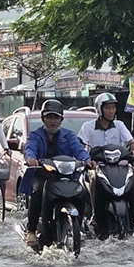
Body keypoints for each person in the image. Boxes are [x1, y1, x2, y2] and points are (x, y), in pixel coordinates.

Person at [21, 99, 90, 242]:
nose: (52, 121)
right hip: (43, 175)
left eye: (56, 117)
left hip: (66, 176)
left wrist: (88, 160)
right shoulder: (35, 135)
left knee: (82, 192)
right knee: (38, 192)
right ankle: (31, 230)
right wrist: (31, 159)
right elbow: (30, 149)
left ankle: (81, 224)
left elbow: (79, 150)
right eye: (49, 117)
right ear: (43, 119)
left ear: (61, 120)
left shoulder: (69, 135)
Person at [79, 93, 134, 157]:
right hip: (95, 163)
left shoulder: (119, 125)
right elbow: (80, 146)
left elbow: (132, 142)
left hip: (116, 162)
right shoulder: (87, 126)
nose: (111, 111)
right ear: (99, 109)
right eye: (107, 108)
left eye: (113, 107)